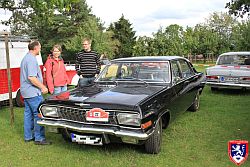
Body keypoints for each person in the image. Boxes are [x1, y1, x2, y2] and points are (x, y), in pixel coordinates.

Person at [20, 40, 51, 145]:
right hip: (33, 92)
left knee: (28, 115)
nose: (40, 49)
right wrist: (43, 87)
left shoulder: (25, 58)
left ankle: (28, 136)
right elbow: (32, 78)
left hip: (26, 92)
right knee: (39, 114)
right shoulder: (31, 59)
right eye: (40, 47)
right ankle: (39, 138)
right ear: (35, 48)